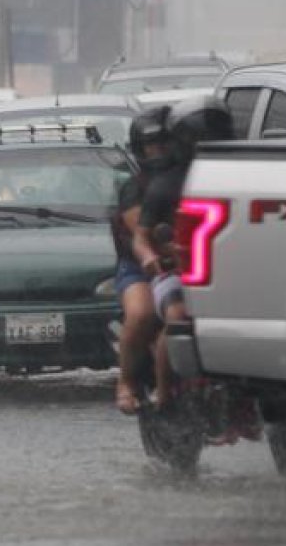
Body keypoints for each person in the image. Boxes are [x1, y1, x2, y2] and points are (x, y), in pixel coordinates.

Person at [113, 107, 171, 413]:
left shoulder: (196, 179)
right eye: (153, 144)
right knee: (141, 314)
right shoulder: (134, 187)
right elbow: (142, 234)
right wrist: (160, 253)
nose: (160, 151)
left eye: (167, 143)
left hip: (194, 266)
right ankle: (126, 381)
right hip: (141, 268)